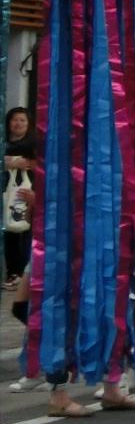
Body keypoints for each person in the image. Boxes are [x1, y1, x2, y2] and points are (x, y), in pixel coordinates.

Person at [3, 107, 36, 290]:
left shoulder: (33, 146)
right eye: (15, 119)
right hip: (5, 192)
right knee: (8, 232)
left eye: (22, 120)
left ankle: (22, 273)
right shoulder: (4, 143)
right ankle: (12, 273)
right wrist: (13, 162)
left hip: (25, 194)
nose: (18, 123)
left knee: (22, 231)